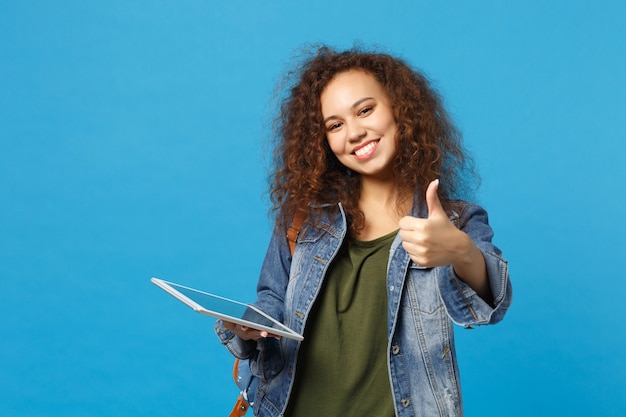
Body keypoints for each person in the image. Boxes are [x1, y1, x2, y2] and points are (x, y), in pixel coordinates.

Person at [215, 45, 513, 417]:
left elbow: (491, 304)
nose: (354, 132)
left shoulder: (454, 221)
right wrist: (251, 326)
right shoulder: (304, 218)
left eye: (365, 110)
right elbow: (272, 302)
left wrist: (460, 251)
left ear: (400, 110)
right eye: (335, 125)